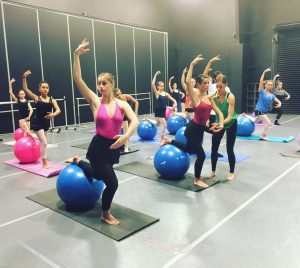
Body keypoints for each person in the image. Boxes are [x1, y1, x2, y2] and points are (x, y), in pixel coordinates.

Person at [67, 38, 138, 225]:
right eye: (99, 83)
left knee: (98, 175)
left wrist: (125, 137)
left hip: (114, 147)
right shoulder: (95, 101)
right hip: (99, 147)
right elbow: (78, 79)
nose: (100, 87)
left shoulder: (122, 104)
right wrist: (76, 56)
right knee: (112, 183)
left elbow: (135, 120)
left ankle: (78, 161)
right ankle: (105, 213)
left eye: (104, 83)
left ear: (112, 84)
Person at [161, 55, 224, 188]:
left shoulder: (208, 97)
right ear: (199, 85)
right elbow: (189, 82)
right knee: (200, 155)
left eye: (208, 83)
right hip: (193, 129)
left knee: (189, 149)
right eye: (204, 83)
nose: (207, 85)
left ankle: (168, 141)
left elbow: (217, 112)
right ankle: (197, 179)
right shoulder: (195, 98)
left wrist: (219, 124)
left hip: (200, 128)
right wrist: (192, 65)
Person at [22, 70, 61, 168]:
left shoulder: (52, 100)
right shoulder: (36, 98)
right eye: (43, 87)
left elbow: (58, 110)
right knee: (44, 142)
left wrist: (53, 115)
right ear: (39, 89)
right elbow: (26, 89)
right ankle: (44, 161)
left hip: (46, 123)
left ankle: (30, 135)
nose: (45, 89)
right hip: (37, 123)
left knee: (42, 141)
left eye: (47, 87)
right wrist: (24, 78)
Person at [209, 75, 238, 181]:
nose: (219, 89)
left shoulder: (230, 97)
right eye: (217, 86)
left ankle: (231, 172)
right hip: (219, 123)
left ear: (226, 85)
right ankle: (213, 171)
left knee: (229, 148)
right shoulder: (213, 97)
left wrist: (220, 124)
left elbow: (230, 116)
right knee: (214, 148)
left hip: (231, 123)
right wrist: (217, 123)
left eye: (221, 87)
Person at [145, 71, 177, 142]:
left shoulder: (166, 93)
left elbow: (173, 100)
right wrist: (156, 74)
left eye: (163, 86)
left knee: (157, 123)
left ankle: (148, 120)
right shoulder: (157, 93)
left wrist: (175, 104)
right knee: (165, 124)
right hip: (159, 110)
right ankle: (162, 139)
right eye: (161, 86)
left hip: (163, 110)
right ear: (158, 87)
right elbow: (152, 84)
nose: (163, 87)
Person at [254, 68, 281, 140]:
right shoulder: (261, 91)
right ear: (265, 85)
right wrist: (264, 72)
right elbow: (260, 81)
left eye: (271, 85)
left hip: (262, 112)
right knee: (268, 122)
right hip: (259, 111)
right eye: (268, 85)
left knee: (253, 122)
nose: (270, 86)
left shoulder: (272, 95)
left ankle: (243, 117)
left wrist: (279, 104)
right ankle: (263, 136)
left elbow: (278, 101)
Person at [114, 88, 139, 152]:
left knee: (126, 131)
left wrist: (135, 112)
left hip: (126, 114)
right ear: (114, 96)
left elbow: (136, 102)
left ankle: (126, 147)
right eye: (117, 95)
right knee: (116, 131)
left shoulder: (126, 96)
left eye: (120, 94)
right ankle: (118, 145)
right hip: (118, 115)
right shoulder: (114, 100)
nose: (119, 96)